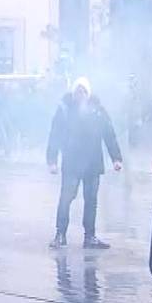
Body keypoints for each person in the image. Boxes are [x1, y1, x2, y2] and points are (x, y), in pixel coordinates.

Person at [46, 77, 122, 249]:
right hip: (71, 162)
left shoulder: (98, 111)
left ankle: (90, 236)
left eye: (83, 91)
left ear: (88, 94)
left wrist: (116, 158)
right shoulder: (64, 110)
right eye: (77, 91)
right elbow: (55, 135)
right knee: (66, 199)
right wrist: (52, 160)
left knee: (91, 200)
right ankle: (60, 234)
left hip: (92, 163)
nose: (80, 95)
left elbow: (109, 134)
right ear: (73, 93)